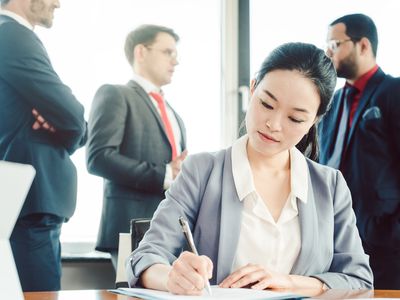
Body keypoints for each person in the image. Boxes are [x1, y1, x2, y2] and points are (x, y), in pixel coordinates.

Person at [126, 42, 373, 295]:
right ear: (254, 88)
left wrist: (287, 282)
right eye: (267, 104)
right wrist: (171, 277)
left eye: (295, 118)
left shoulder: (329, 186)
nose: (273, 124)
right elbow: (145, 257)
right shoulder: (201, 171)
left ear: (314, 121)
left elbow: (359, 279)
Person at [0, 0, 87, 292]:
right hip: (32, 200)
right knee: (40, 293)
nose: (58, 4)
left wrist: (66, 121)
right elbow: (73, 117)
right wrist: (67, 122)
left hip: (25, 200)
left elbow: (72, 120)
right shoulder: (13, 35)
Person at [86, 24, 187, 270]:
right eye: (168, 52)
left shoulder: (174, 113)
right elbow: (98, 157)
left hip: (170, 232)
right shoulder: (115, 94)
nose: (176, 60)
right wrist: (165, 174)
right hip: (129, 227)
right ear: (141, 52)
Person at [319, 13, 400, 289]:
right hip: (334, 238)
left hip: (383, 240)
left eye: (335, 44)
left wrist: (394, 231)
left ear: (363, 45)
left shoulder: (393, 91)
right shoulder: (332, 101)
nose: (328, 52)